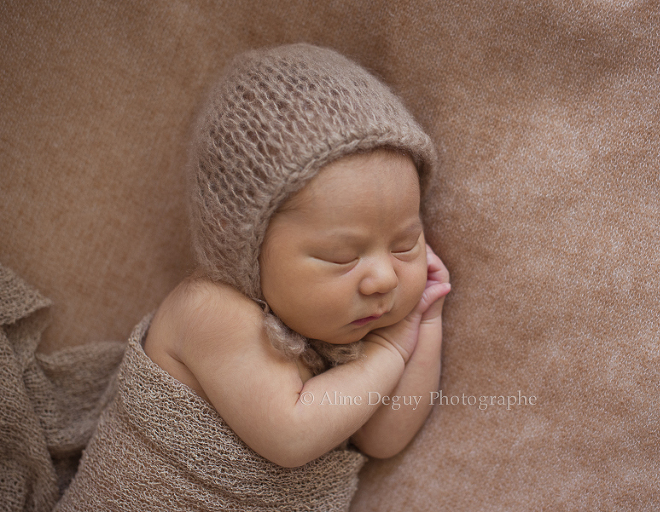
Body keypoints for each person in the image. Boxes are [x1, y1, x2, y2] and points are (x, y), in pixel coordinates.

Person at [56, 44, 449, 511]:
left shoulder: (341, 338)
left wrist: (422, 326)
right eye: (342, 256)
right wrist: (388, 351)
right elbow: (293, 433)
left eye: (405, 244)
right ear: (242, 238)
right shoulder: (207, 310)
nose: (384, 277)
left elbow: (382, 438)